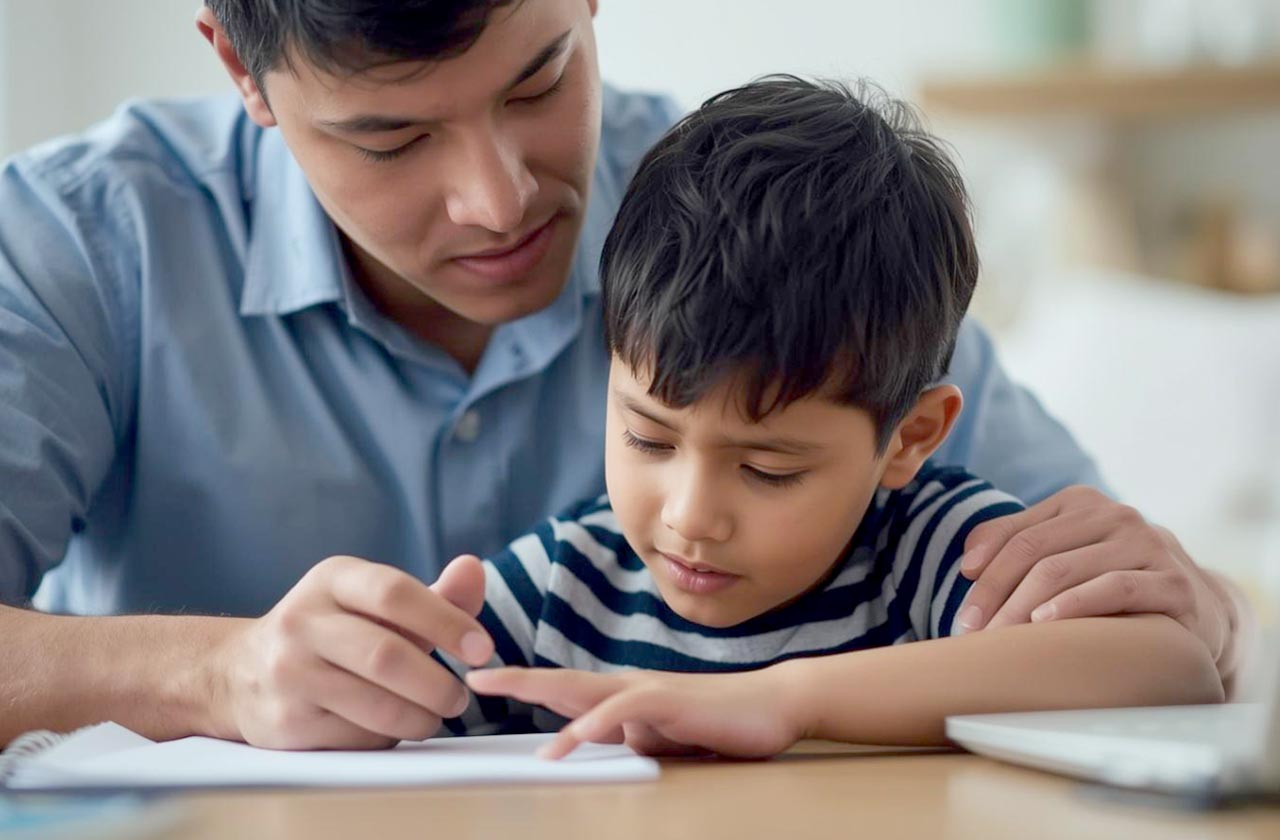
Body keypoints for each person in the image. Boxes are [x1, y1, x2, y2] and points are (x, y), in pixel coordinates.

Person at [0, 0, 1250, 750]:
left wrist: (1203, 602)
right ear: (239, 70)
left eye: (538, 79)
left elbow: (1130, 617)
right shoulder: (82, 243)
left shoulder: (764, 230)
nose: (497, 201)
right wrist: (207, 676)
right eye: (389, 134)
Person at [418, 75, 1223, 756]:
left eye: (769, 469)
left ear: (910, 437)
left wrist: (789, 699)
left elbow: (1167, 668)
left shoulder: (925, 552)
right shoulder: (566, 585)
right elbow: (389, 708)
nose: (691, 517)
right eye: (646, 436)